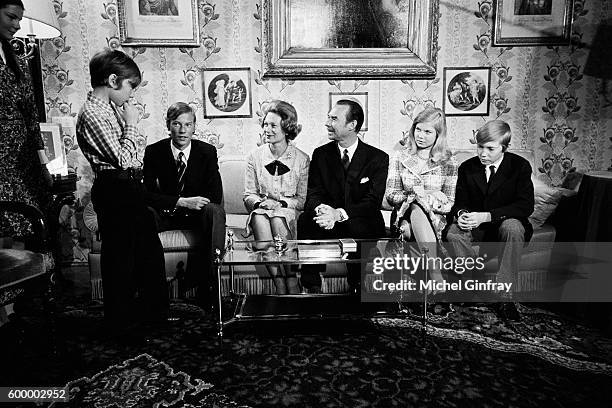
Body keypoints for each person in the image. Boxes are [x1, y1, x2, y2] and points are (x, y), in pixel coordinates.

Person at [76, 49, 168, 328]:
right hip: (114, 188)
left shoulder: (109, 109)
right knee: (121, 260)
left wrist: (128, 128)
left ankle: (149, 318)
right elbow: (125, 159)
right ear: (113, 80)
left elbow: (133, 156)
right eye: (130, 86)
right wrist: (131, 125)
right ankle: (124, 324)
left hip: (127, 187)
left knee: (146, 255)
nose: (132, 94)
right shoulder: (93, 113)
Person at [445, 120, 534, 320]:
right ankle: (474, 284)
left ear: (504, 147)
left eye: (490, 148)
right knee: (452, 232)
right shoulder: (467, 167)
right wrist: (462, 215)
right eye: (479, 147)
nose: (483, 153)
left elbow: (525, 206)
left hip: (504, 223)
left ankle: (505, 296)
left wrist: (486, 216)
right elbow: (460, 202)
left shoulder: (519, 166)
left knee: (513, 228)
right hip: (476, 227)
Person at [297, 99, 389, 294]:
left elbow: (372, 202)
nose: (327, 123)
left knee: (365, 223)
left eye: (334, 119)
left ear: (352, 125)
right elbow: (313, 194)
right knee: (306, 219)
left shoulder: (377, 158)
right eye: (328, 118)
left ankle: (358, 285)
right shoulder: (321, 154)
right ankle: (311, 286)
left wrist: (338, 214)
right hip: (327, 223)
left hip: (359, 220)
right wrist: (322, 210)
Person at [143, 102, 226, 308]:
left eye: (188, 125)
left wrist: (193, 205)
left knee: (215, 211)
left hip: (198, 215)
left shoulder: (207, 152)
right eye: (177, 124)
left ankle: (210, 286)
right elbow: (147, 194)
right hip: (166, 213)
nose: (182, 130)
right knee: (143, 213)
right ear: (168, 126)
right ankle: (150, 292)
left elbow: (214, 194)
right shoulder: (154, 151)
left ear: (194, 127)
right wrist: (181, 202)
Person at [385, 107, 458, 287]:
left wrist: (425, 201)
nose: (421, 135)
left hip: (436, 219)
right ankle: (435, 274)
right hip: (403, 214)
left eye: (427, 131)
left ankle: (420, 292)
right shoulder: (400, 157)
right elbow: (392, 195)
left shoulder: (449, 162)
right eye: (418, 129)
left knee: (414, 219)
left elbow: (449, 204)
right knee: (415, 205)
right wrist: (426, 194)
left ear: (438, 135)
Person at [243, 100, 309, 294]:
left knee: (279, 217)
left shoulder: (302, 159)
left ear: (287, 128)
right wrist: (261, 203)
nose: (267, 129)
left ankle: (291, 278)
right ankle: (278, 280)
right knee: (259, 216)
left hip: (288, 211)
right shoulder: (254, 157)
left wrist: (280, 203)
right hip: (262, 208)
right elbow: (248, 194)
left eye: (273, 125)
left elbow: (303, 199)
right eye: (265, 124)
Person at [0, 0, 52, 237]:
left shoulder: (18, 61)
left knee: (30, 225)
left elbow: (32, 116)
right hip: (2, 160)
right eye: (12, 17)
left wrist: (43, 163)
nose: (18, 25)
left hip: (23, 157)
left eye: (20, 19)